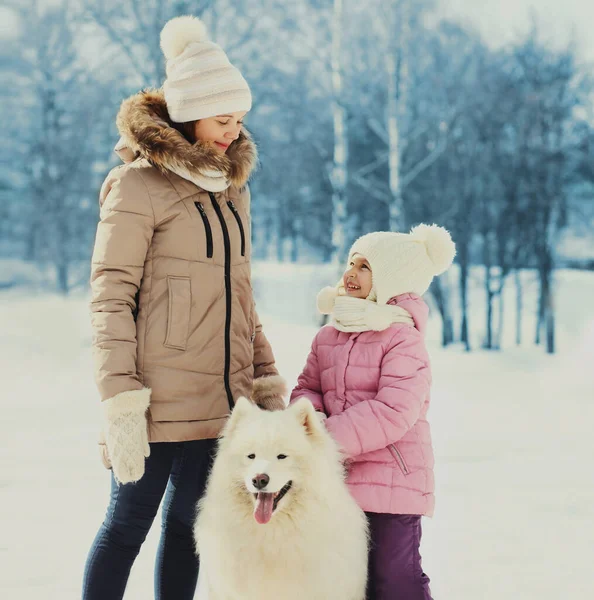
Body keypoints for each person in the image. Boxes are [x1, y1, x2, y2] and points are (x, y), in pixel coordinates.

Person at [83, 15, 286, 600]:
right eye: (224, 119)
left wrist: (265, 376)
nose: (233, 131)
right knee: (126, 529)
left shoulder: (233, 190)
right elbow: (111, 294)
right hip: (155, 400)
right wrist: (120, 400)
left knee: (187, 532)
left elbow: (241, 296)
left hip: (222, 399)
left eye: (240, 121)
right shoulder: (136, 186)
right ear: (189, 112)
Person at [290, 224, 456, 600]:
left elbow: (394, 410)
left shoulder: (403, 339)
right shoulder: (328, 336)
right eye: (351, 262)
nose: (351, 272)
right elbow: (307, 389)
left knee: (394, 580)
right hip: (334, 482)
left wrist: (324, 440)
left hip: (392, 480)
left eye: (366, 267)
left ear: (392, 278)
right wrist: (310, 419)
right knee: (346, 581)